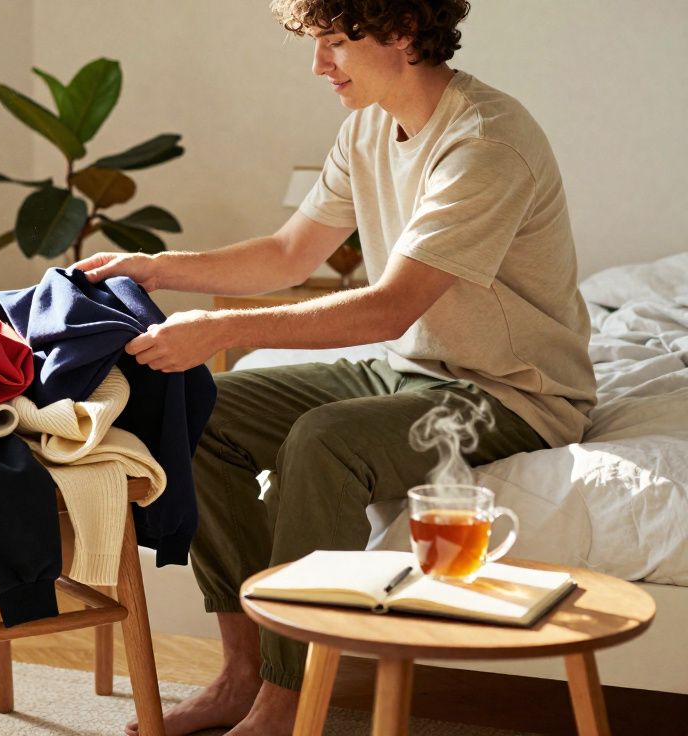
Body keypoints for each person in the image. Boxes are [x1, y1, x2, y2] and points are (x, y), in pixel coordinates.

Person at [71, 1, 597, 734]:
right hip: (410, 371)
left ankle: (289, 698)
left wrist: (219, 325)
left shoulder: (485, 144)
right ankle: (242, 671)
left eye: (336, 43)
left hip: (512, 395)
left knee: (323, 442)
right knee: (198, 407)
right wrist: (159, 269)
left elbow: (388, 308)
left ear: (405, 30)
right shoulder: (367, 128)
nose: (319, 66)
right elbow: (290, 253)